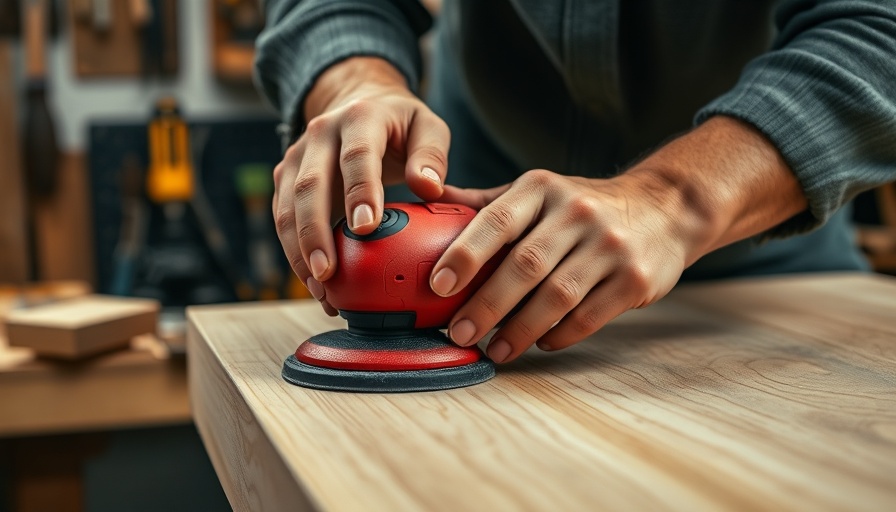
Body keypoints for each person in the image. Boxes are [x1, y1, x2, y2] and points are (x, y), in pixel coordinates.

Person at [253, 0, 896, 364]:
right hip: (480, 271)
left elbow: (879, 26)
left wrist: (677, 197)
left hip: (767, 275)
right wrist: (353, 80)